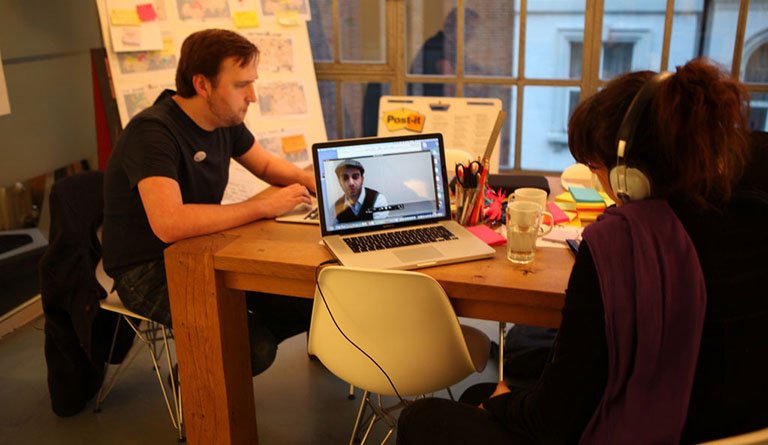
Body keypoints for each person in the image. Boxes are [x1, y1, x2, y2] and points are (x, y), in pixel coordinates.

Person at [397, 58, 768, 444]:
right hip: (746, 429)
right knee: (490, 389)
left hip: (644, 431)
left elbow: (554, 418)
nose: (598, 180)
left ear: (630, 178)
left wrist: (503, 404)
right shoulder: (751, 209)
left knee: (427, 416)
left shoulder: (618, 248)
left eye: (596, 167)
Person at [102, 29, 316, 376]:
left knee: (312, 302)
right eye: (241, 85)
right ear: (203, 85)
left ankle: (214, 351)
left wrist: (310, 179)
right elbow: (169, 223)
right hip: (147, 269)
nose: (253, 96)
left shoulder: (223, 120)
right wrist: (263, 207)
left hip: (203, 249)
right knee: (252, 348)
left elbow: (264, 164)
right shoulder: (153, 133)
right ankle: (199, 381)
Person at [333, 159, 388, 223]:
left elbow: (379, 229)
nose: (351, 183)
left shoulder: (378, 199)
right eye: (345, 178)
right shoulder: (336, 206)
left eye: (355, 177)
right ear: (339, 182)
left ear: (362, 179)